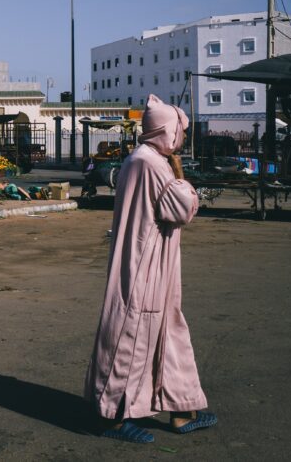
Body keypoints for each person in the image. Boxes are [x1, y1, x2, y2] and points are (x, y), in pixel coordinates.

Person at [84, 94, 216, 444]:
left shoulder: (144, 159)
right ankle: (111, 416)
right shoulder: (150, 163)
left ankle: (181, 408)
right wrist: (185, 182)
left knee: (167, 333)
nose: (183, 138)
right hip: (145, 265)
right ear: (167, 131)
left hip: (153, 262)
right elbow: (182, 207)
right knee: (132, 334)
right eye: (180, 132)